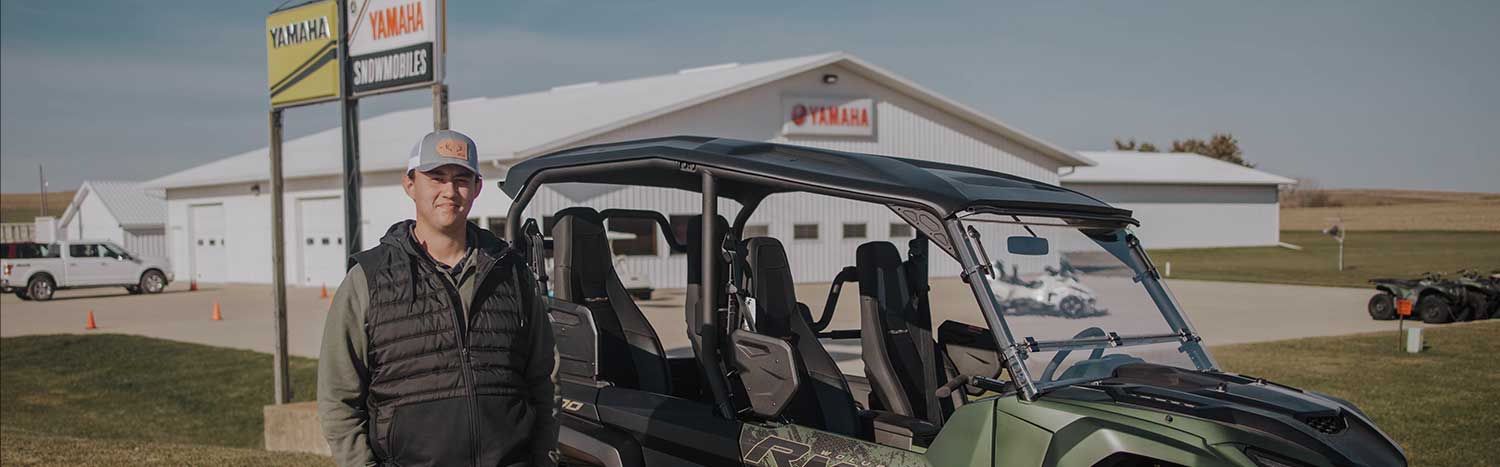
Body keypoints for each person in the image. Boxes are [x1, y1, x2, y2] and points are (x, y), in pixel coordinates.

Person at [318, 130, 558, 467]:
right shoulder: (368, 279)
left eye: (461, 179)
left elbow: (544, 381)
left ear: (476, 188)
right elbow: (337, 398)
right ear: (410, 185)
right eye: (436, 178)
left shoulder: (513, 273)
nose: (449, 191)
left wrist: (544, 458)